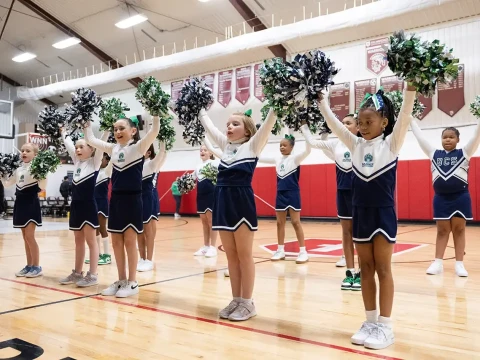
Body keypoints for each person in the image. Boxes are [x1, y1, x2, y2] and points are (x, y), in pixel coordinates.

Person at [317, 85, 416, 349]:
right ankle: (370, 321)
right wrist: (322, 103)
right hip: (359, 213)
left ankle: (385, 325)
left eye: (369, 121)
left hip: (382, 214)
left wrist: (411, 90)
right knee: (366, 269)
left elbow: (405, 115)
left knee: (383, 269)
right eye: (360, 122)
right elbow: (336, 126)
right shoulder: (355, 143)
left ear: (384, 122)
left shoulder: (391, 143)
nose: (363, 126)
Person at [199, 107, 277, 321]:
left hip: (241, 202)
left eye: (235, 124)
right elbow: (211, 128)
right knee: (231, 256)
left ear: (248, 130)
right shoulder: (226, 147)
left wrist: (277, 103)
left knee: (244, 254)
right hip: (222, 202)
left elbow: (269, 122)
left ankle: (248, 302)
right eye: (228, 124)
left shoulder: (253, 145)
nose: (229, 127)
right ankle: (236, 299)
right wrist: (199, 110)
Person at [84, 115, 160, 298]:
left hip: (133, 200)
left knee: (129, 241)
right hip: (115, 199)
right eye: (115, 129)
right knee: (116, 242)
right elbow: (91, 140)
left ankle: (133, 282)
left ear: (133, 131)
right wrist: (86, 122)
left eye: (121, 128)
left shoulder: (139, 147)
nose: (117, 132)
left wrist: (155, 113)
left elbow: (154, 132)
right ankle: (121, 280)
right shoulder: (112, 148)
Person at [411, 120, 480, 277]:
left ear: (458, 140)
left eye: (451, 137)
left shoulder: (465, 152)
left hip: (460, 197)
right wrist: (410, 119)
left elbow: (477, 135)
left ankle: (459, 264)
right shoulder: (433, 153)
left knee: (459, 229)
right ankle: (438, 263)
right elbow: (420, 137)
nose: (448, 139)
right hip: (441, 198)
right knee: (442, 230)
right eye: (445, 137)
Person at [301, 115, 361, 290]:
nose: (343, 125)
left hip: (361, 194)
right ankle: (350, 272)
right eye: (342, 123)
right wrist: (304, 124)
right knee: (346, 233)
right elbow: (313, 143)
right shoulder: (336, 145)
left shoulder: (362, 143)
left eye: (348, 123)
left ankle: (363, 271)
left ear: (358, 127)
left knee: (362, 235)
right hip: (343, 194)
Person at [59, 130, 107, 287]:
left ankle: (93, 275)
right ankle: (77, 273)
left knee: (91, 241)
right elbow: (68, 144)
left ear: (91, 149)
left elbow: (101, 146)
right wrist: (63, 132)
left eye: (81, 147)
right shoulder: (77, 162)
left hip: (88, 205)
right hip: (76, 206)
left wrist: (106, 130)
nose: (78, 150)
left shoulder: (94, 162)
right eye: (77, 147)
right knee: (78, 240)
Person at [259, 127, 311, 264]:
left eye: (284, 145)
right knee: (279, 223)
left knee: (295, 222)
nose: (282, 147)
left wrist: (306, 133)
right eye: (280, 145)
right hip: (280, 194)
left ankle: (303, 251)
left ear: (291, 147)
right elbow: (258, 157)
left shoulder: (295, 158)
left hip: (293, 193)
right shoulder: (277, 159)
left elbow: (308, 150)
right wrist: (262, 141)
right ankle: (280, 250)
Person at [2, 143, 45, 278]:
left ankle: (37, 266)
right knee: (25, 237)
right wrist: (2, 175)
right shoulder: (19, 169)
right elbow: (8, 183)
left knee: (30, 236)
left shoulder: (37, 168)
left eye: (28, 150)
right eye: (22, 150)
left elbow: (43, 186)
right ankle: (29, 265)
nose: (24, 153)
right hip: (19, 203)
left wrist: (43, 174)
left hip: (31, 202)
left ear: (35, 154)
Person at [137, 142, 166, 272]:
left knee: (149, 231)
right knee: (139, 231)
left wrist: (164, 141)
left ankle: (149, 259)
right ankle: (142, 258)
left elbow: (162, 154)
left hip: (149, 197)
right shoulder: (136, 165)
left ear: (148, 152)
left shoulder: (152, 163)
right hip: (136, 199)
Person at [192, 137, 220, 258]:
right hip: (201, 195)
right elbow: (192, 180)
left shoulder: (215, 163)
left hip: (211, 195)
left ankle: (213, 247)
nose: (202, 152)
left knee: (211, 221)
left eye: (205, 150)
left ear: (211, 153)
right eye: (201, 150)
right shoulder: (198, 167)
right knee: (204, 222)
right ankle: (206, 246)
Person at [87, 153, 113, 265]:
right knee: (95, 228)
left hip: (102, 202)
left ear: (107, 161)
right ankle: (97, 254)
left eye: (102, 159)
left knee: (102, 228)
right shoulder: (94, 171)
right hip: (93, 202)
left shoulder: (108, 171)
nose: (100, 161)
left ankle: (107, 255)